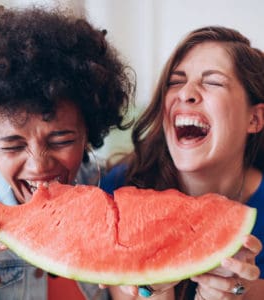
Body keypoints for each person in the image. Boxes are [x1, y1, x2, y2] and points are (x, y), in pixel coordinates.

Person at [100, 25, 264, 299]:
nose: (186, 93)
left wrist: (244, 294)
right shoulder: (119, 190)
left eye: (212, 82)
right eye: (176, 81)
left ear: (254, 119)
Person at [0, 5, 135, 300]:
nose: (38, 165)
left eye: (60, 140)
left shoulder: (112, 196)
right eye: (13, 146)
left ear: (88, 132)